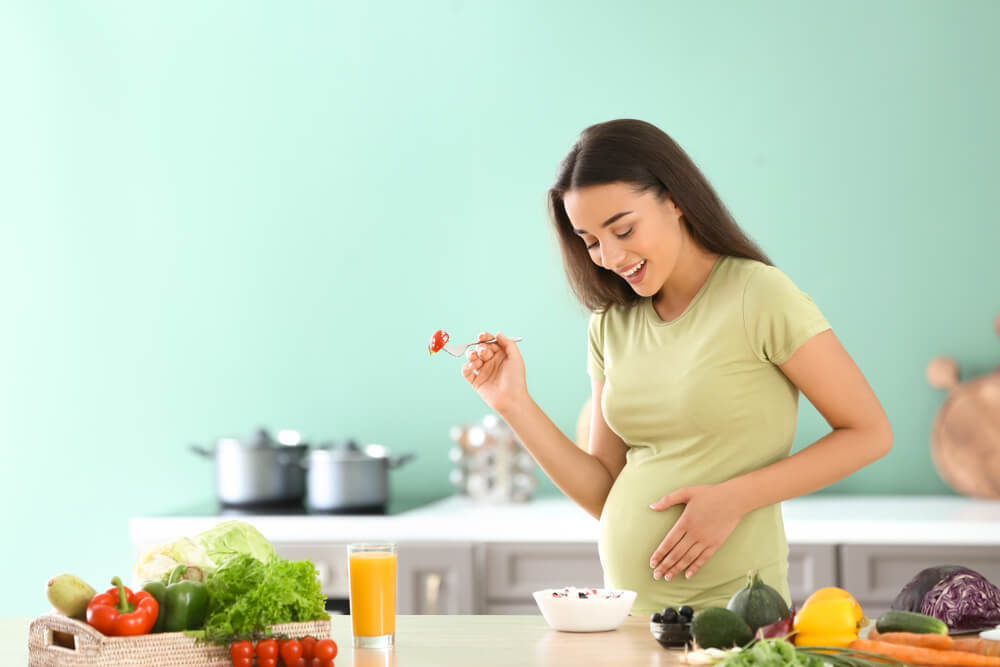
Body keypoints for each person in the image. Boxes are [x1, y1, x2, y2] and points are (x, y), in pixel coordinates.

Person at [460, 119, 892, 615]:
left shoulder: (759, 296)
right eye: (591, 240)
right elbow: (605, 488)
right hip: (627, 617)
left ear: (674, 199)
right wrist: (513, 403)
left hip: (735, 618)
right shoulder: (611, 323)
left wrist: (735, 498)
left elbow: (869, 432)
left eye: (623, 229)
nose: (610, 256)